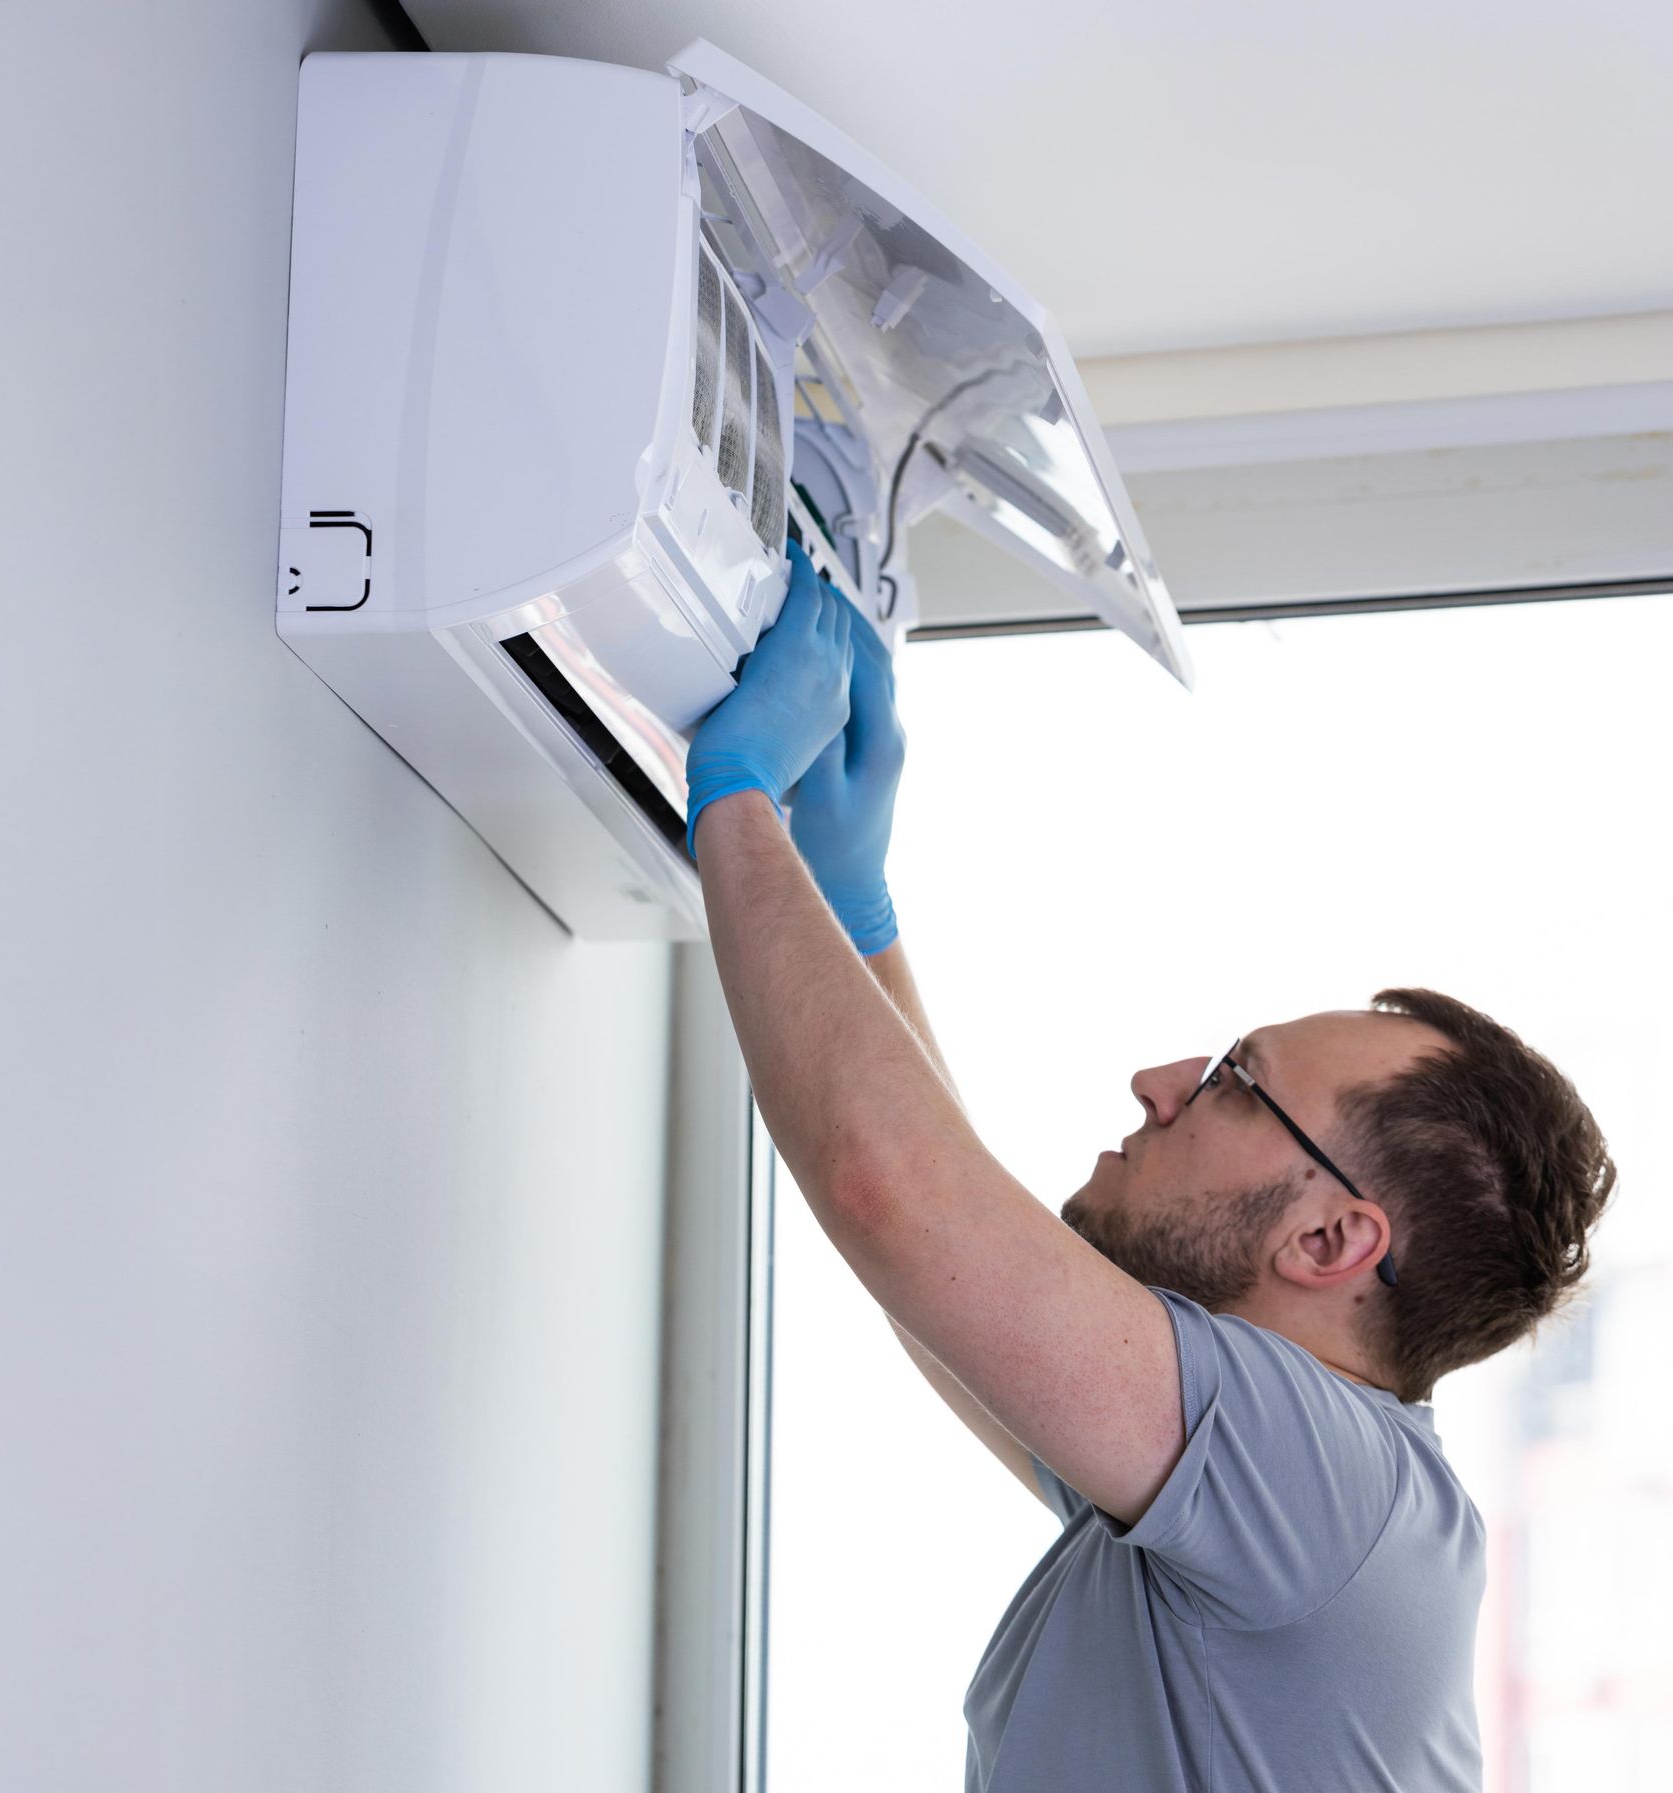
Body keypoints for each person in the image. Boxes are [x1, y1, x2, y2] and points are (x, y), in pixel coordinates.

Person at [686, 537, 1618, 1793]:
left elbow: (897, 1199)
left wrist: (738, 800)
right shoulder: (1250, 1499)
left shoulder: (1334, 1495)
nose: (1161, 1080)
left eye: (1237, 1080)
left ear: (1331, 1240)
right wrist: (859, 913)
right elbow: (963, 1297)